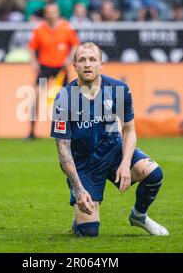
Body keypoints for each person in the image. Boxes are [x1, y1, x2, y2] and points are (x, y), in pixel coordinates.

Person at [51, 42, 168, 237]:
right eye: (82, 60)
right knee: (89, 233)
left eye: (92, 60)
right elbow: (63, 150)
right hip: (84, 164)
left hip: (114, 152)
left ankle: (139, 216)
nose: (87, 64)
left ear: (101, 64)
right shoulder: (63, 99)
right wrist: (79, 189)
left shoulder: (118, 89)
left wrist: (125, 163)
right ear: (75, 66)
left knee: (154, 173)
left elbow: (129, 130)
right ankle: (80, 218)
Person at [27, 2, 80, 139]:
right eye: (49, 12)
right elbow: (32, 47)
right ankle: (32, 131)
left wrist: (69, 59)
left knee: (68, 99)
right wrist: (33, 62)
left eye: (54, 11)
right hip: (45, 67)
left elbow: (75, 45)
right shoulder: (39, 30)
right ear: (46, 14)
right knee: (36, 96)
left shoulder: (66, 28)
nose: (51, 14)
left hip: (61, 68)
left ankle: (71, 130)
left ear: (57, 13)